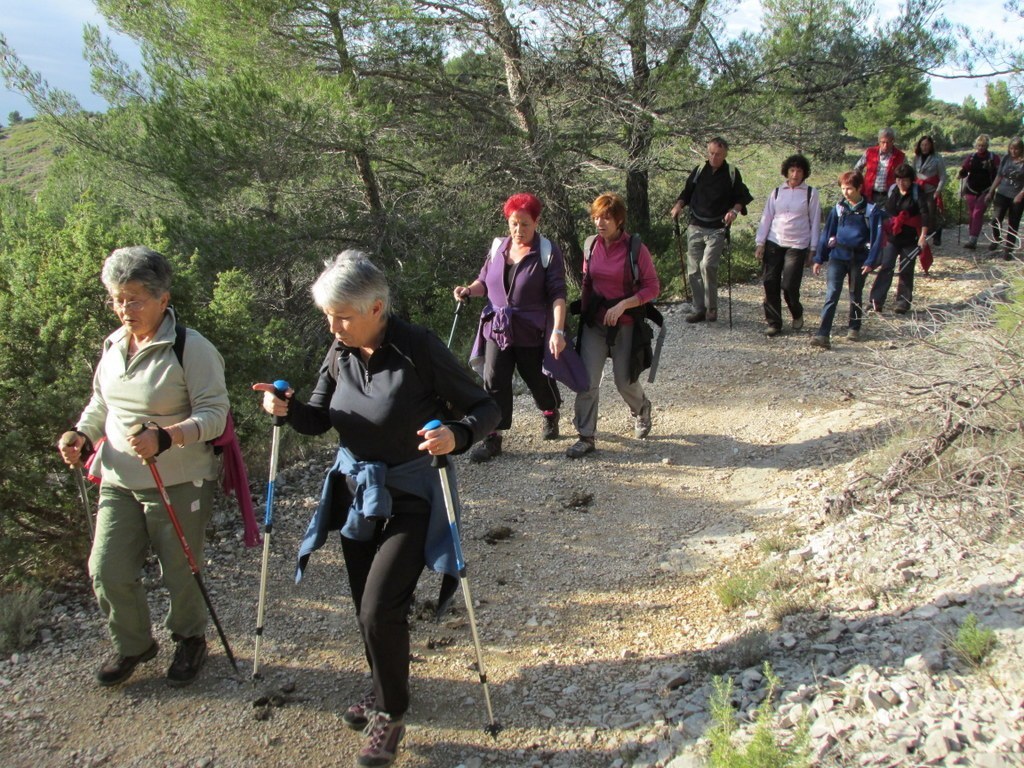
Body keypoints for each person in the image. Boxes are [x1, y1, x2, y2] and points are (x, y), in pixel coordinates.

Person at [255, 252, 499, 768]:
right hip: (357, 496)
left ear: (378, 307)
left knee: (377, 606)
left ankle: (390, 714)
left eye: (342, 315)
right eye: (328, 315)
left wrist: (458, 434)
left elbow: (487, 406)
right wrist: (287, 408)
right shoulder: (338, 350)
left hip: (413, 495)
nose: (333, 325)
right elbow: (319, 419)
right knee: (368, 607)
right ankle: (383, 678)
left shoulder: (418, 348)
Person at [57, 246, 229, 687]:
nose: (124, 309)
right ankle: (134, 644)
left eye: (134, 298)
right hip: (118, 478)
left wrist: (166, 436)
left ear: (163, 299)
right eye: (117, 298)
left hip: (179, 480)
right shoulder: (114, 344)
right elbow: (101, 404)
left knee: (180, 570)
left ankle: (190, 640)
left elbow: (215, 416)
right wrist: (82, 435)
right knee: (106, 570)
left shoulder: (192, 349)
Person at [453, 193, 567, 462]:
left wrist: (558, 331)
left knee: (536, 378)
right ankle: (493, 436)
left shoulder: (547, 252)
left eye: (525, 224)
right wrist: (468, 290)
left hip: (530, 328)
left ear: (536, 222)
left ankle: (550, 412)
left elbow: (557, 295)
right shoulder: (498, 248)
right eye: (514, 223)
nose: (519, 230)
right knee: (494, 379)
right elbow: (485, 282)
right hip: (498, 328)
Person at [567, 193, 661, 458]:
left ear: (619, 219)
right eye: (596, 217)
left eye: (606, 217)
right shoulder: (590, 246)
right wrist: (579, 316)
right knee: (586, 381)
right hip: (595, 324)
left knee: (624, 381)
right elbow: (587, 282)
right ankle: (585, 436)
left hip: (627, 324)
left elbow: (652, 287)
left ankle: (641, 409)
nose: (600, 222)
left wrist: (623, 305)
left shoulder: (635, 249)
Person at [670, 137, 753, 323]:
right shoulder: (700, 170)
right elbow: (687, 192)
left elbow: (742, 197)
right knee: (693, 269)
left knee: (707, 265)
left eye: (718, 154)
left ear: (725, 155)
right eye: (712, 153)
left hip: (717, 228)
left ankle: (711, 308)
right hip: (695, 225)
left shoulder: (732, 173)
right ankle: (699, 308)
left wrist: (734, 211)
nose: (714, 157)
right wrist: (678, 206)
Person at [810, 171, 883, 350]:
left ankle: (854, 326)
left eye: (849, 188)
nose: (846, 192)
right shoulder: (838, 208)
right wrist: (819, 257)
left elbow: (877, 238)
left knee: (855, 293)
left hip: (859, 258)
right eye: (843, 188)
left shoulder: (872, 210)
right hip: (838, 256)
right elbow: (827, 233)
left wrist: (871, 261)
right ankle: (823, 334)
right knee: (832, 293)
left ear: (859, 188)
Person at [754, 154, 821, 337]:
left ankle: (796, 311)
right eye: (792, 170)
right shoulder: (776, 192)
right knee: (770, 282)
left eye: (799, 171)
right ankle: (774, 322)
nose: (795, 174)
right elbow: (766, 217)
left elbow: (815, 222)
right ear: (786, 172)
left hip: (798, 244)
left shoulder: (810, 193)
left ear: (804, 173)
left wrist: (813, 249)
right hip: (774, 241)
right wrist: (760, 243)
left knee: (789, 285)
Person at [869, 163, 928, 315]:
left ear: (911, 180)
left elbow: (925, 215)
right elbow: (888, 213)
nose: (902, 183)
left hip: (910, 237)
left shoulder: (917, 192)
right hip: (893, 236)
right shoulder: (893, 191)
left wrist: (923, 236)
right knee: (886, 266)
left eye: (905, 180)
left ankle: (903, 302)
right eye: (899, 179)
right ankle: (876, 300)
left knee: (906, 269)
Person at [958, 134, 1000, 250]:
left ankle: (973, 239)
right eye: (979, 145)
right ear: (976, 145)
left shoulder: (993, 157)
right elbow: (965, 170)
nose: (981, 148)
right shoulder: (971, 157)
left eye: (983, 145)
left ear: (987, 146)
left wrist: (993, 189)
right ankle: (972, 236)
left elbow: (999, 173)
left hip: (986, 190)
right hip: (971, 189)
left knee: (977, 213)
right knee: (972, 214)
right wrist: (962, 173)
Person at [987, 136, 1024, 259]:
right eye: (1011, 148)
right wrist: (991, 191)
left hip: (1017, 196)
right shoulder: (1006, 159)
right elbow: (999, 176)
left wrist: (1020, 195)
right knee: (995, 219)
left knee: (1013, 223)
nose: (1013, 151)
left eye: (1016, 149)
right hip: (1002, 193)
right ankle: (997, 239)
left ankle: (1008, 248)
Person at [912, 135, 947, 255]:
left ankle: (937, 234)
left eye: (927, 145)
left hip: (931, 189)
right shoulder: (916, 158)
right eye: (922, 145)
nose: (924, 147)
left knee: (932, 213)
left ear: (931, 145)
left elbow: (942, 176)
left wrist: (938, 190)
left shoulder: (937, 158)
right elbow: (913, 174)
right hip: (919, 189)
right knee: (919, 213)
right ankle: (921, 236)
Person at [854, 127, 907, 205]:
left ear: (893, 141)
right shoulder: (870, 152)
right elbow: (857, 168)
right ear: (879, 141)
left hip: (890, 196)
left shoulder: (900, 156)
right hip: (870, 194)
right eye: (883, 142)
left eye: (888, 142)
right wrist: (859, 184)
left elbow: (906, 174)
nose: (885, 145)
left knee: (888, 217)